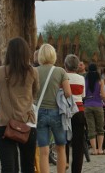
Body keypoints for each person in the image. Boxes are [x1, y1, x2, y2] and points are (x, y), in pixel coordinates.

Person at [0, 37, 38, 173]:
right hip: (27, 123)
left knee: (8, 167)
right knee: (28, 166)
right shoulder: (32, 72)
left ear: (9, 53)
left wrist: (0, 110)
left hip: (5, 124)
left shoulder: (0, 71)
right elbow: (35, 93)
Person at [35, 44, 71, 173]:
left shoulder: (34, 71)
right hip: (56, 112)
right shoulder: (60, 71)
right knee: (60, 147)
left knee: (43, 149)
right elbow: (68, 92)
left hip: (39, 113)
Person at [64, 55, 85, 173]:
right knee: (78, 144)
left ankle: (64, 162)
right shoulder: (81, 79)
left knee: (64, 140)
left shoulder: (63, 77)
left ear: (65, 65)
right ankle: (76, 170)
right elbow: (83, 96)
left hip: (66, 111)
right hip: (79, 111)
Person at [84, 63, 105, 156]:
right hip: (98, 105)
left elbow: (83, 94)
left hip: (87, 105)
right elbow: (102, 95)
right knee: (100, 128)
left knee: (91, 128)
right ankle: (100, 149)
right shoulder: (100, 81)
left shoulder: (85, 80)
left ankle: (94, 150)